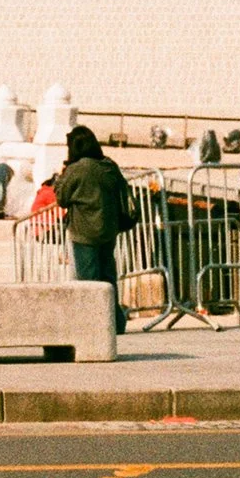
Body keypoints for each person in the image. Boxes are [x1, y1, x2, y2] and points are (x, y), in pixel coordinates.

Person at [53, 125, 135, 334]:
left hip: (84, 232)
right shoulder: (109, 165)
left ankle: (94, 326)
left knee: (89, 282)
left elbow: (62, 198)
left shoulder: (78, 169)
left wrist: (62, 175)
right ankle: (116, 322)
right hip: (109, 230)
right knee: (108, 279)